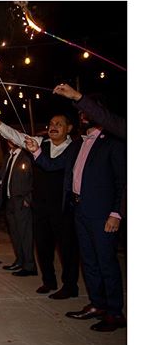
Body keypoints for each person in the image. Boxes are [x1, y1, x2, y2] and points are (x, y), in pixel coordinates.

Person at [24, 102, 126, 332]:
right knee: (88, 262)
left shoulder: (113, 142)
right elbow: (52, 165)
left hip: (102, 213)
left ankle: (114, 312)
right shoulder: (79, 144)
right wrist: (36, 150)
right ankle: (97, 305)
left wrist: (116, 213)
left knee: (106, 263)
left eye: (88, 110)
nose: (84, 114)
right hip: (78, 210)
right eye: (81, 111)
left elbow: (122, 181)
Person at [0, 110, 79, 297]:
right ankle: (48, 281)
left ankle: (70, 286)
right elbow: (17, 136)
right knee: (43, 247)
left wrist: (35, 151)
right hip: (41, 206)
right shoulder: (41, 143)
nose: (53, 126)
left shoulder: (75, 148)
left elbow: (55, 165)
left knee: (67, 248)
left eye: (59, 124)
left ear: (69, 128)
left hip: (63, 206)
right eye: (51, 123)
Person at [0, 139, 36, 277]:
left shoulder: (27, 156)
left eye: (13, 137)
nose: (11, 140)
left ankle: (30, 266)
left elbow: (35, 179)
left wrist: (28, 199)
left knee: (25, 234)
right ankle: (20, 261)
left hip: (21, 201)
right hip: (9, 201)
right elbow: (1, 178)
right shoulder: (8, 157)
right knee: (15, 234)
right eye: (8, 137)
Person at [52, 83, 126, 140]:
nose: (81, 113)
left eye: (86, 109)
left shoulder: (112, 143)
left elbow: (108, 120)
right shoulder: (78, 142)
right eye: (80, 110)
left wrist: (76, 96)